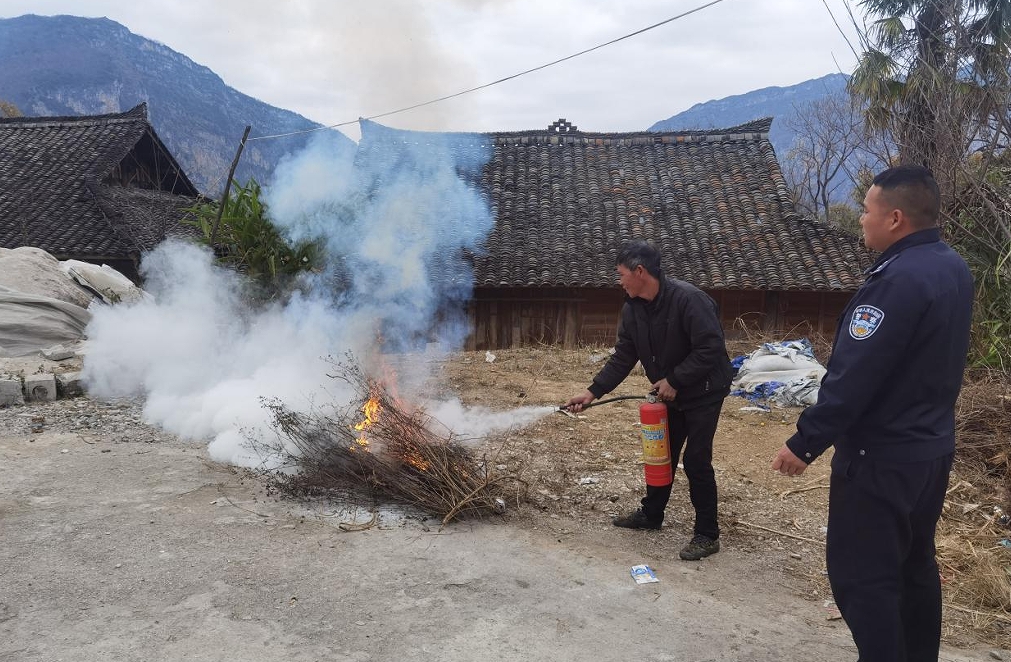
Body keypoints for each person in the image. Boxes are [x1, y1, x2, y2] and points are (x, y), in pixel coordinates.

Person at [772, 165, 973, 661]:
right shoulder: (952, 267)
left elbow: (856, 374)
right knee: (914, 567)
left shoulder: (897, 279)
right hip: (928, 450)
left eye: (867, 210)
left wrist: (805, 441)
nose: (861, 219)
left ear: (896, 218)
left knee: (865, 577)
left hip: (880, 456)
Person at [566, 240, 732, 561]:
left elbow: (710, 349)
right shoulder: (633, 310)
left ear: (640, 272)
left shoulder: (689, 301)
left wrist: (675, 379)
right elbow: (623, 357)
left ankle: (707, 534)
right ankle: (652, 515)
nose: (619, 281)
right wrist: (591, 392)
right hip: (669, 394)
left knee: (696, 460)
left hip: (705, 391)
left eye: (622, 274)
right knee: (661, 455)